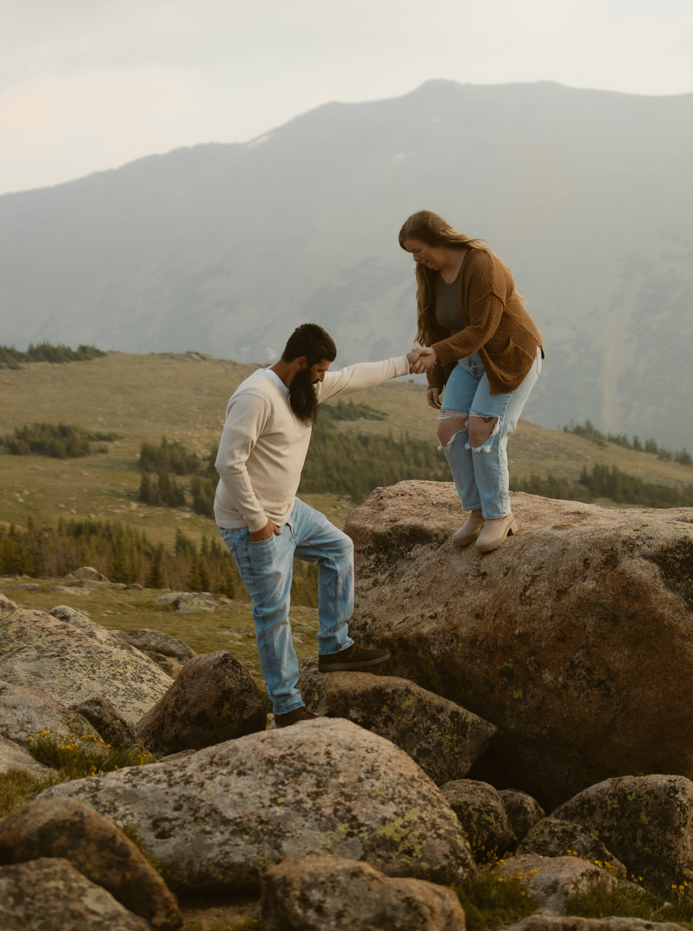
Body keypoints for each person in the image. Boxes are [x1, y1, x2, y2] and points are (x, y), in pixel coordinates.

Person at [214, 322, 432, 726]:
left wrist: (406, 362)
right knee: (273, 614)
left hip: (288, 511)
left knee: (339, 548)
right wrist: (258, 522)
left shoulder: (301, 389)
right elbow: (228, 462)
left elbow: (355, 377)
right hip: (253, 524)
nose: (323, 379)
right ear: (300, 363)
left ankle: (334, 647)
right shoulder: (256, 396)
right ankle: (287, 707)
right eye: (318, 371)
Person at [398, 210, 544, 554]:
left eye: (419, 250)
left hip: (509, 355)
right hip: (467, 360)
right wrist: (436, 376)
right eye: (412, 254)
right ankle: (477, 512)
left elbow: (483, 329)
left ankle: (499, 515)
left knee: (482, 428)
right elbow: (433, 326)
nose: (417, 259)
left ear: (438, 239)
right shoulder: (430, 273)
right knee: (449, 430)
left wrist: (437, 354)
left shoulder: (481, 266)